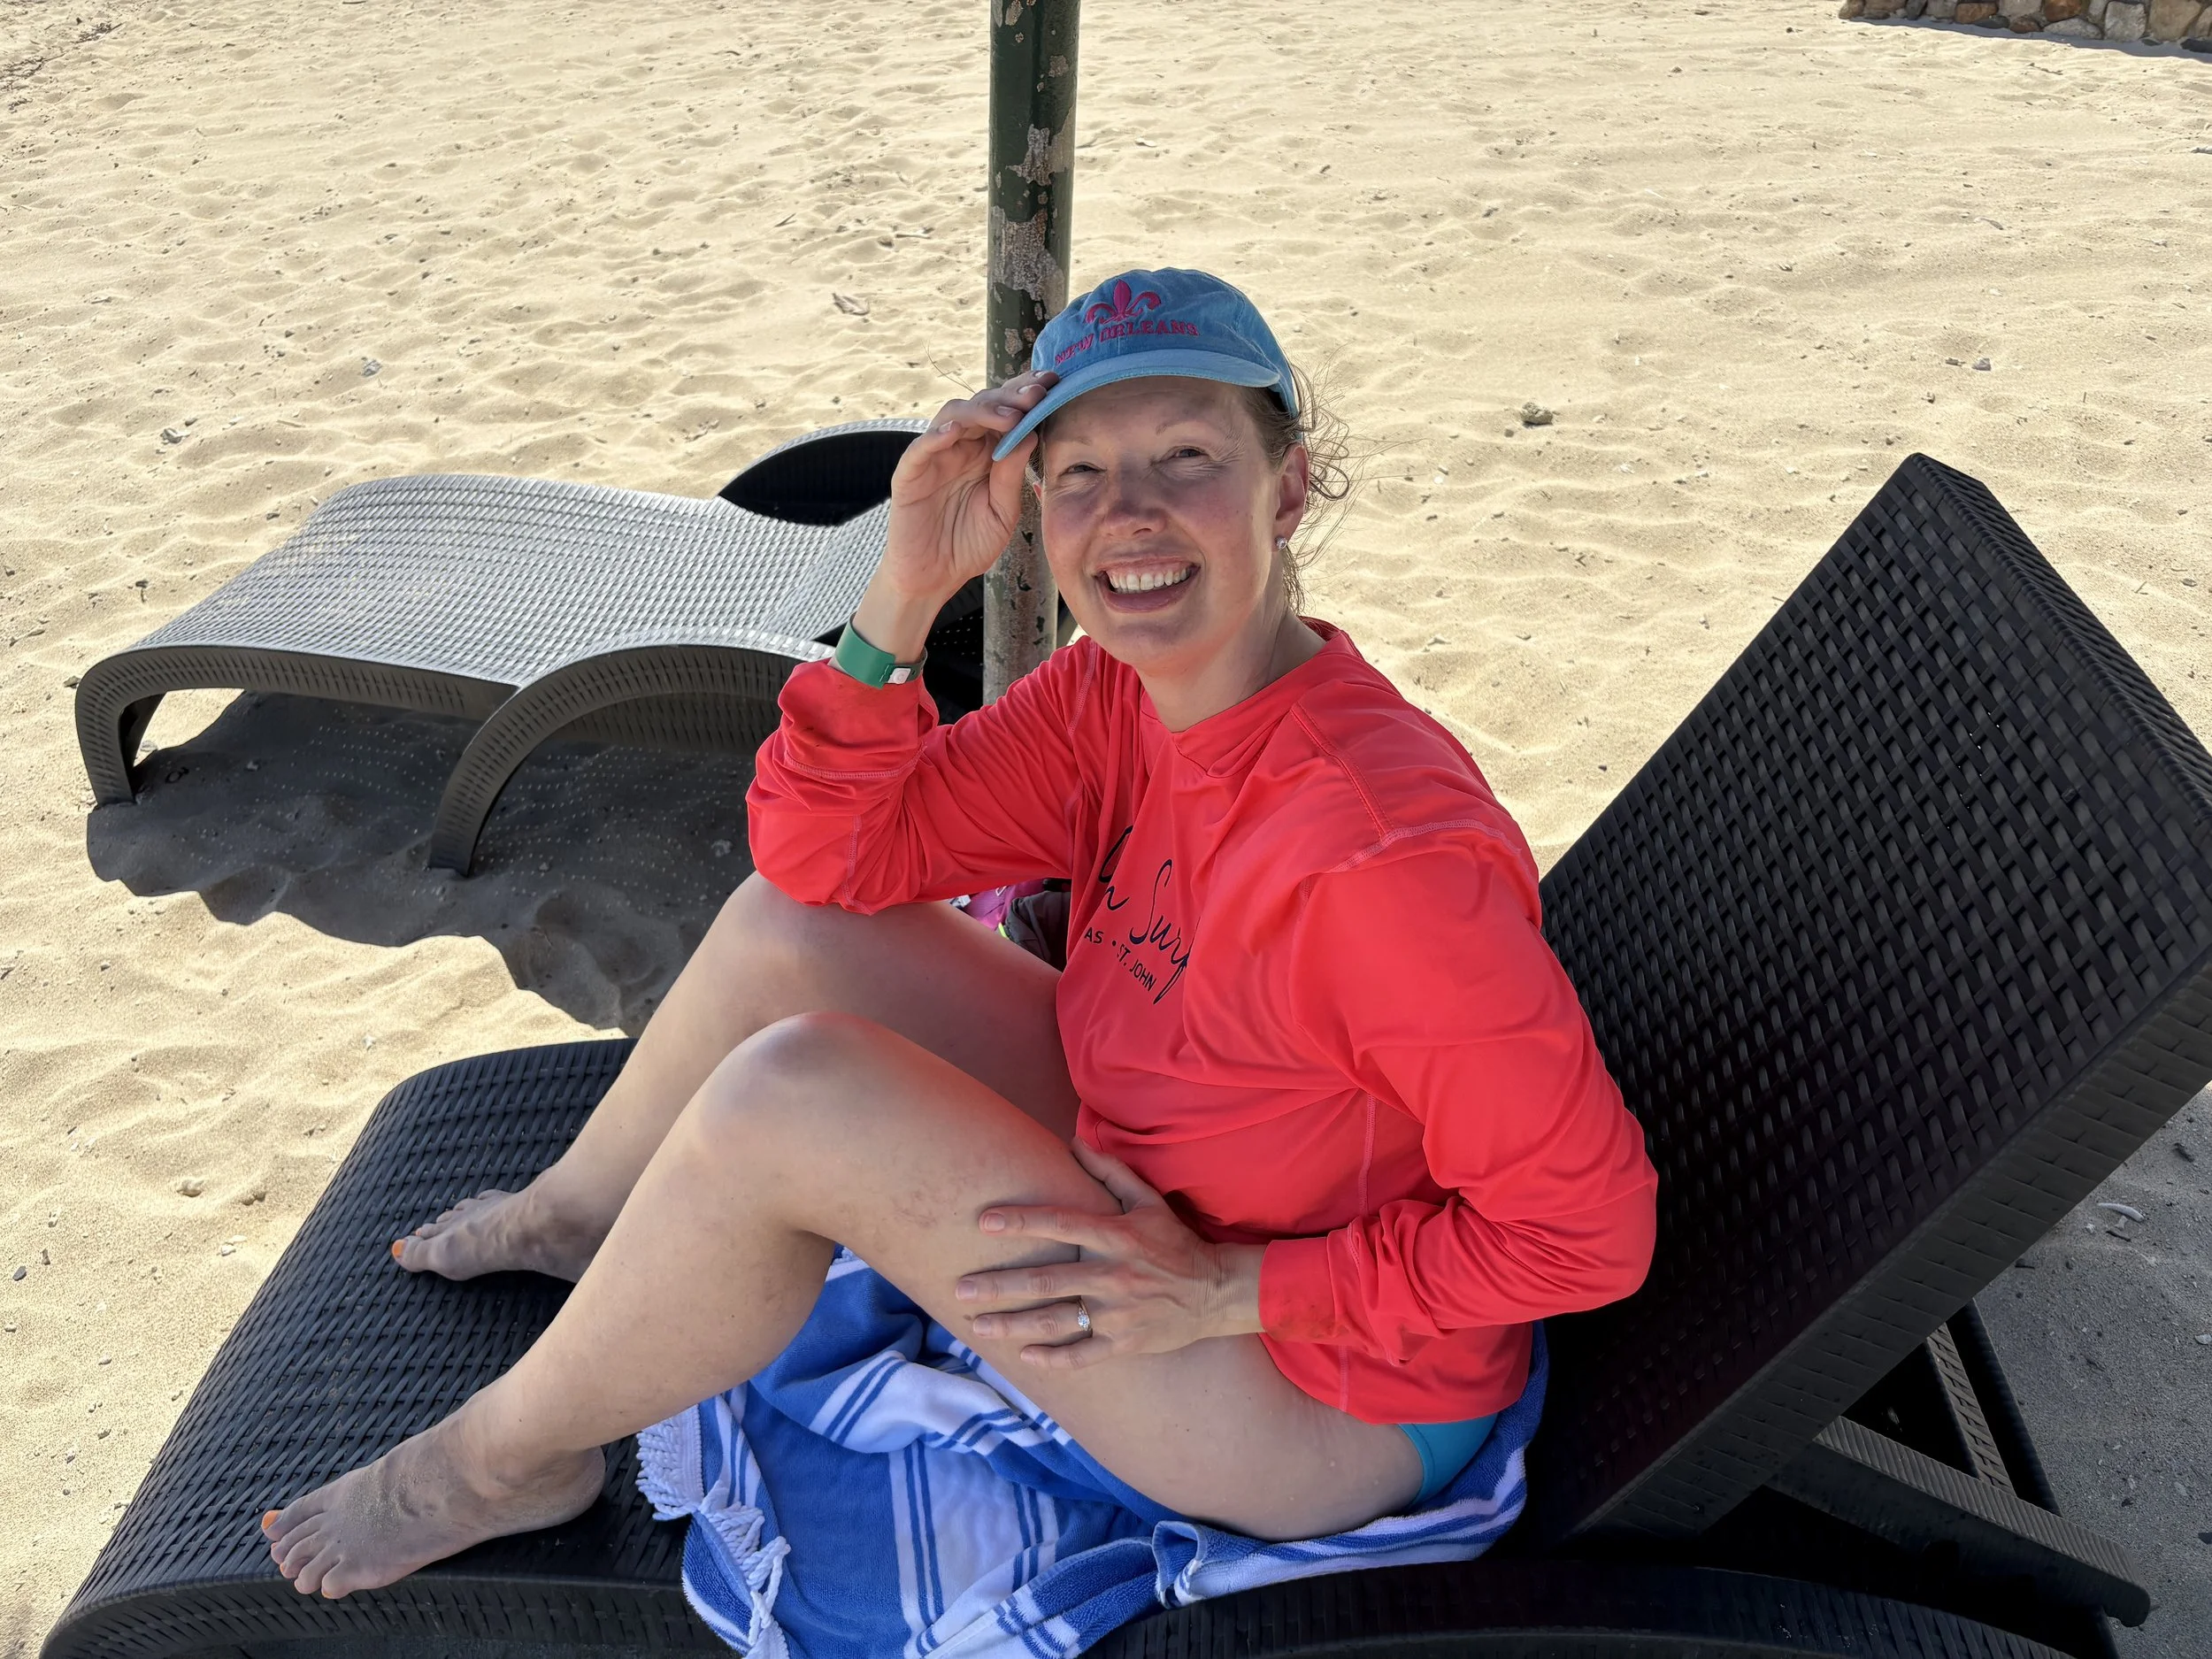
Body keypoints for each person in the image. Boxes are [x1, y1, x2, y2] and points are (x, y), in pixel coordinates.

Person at [260, 268, 1659, 1600]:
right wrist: (905, 590)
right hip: (1168, 1152)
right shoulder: (1120, 697)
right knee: (790, 929)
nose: (1130, 515)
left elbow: (1588, 1236)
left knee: (789, 1098)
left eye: (1186, 457)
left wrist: (1230, 1290)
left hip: (1320, 1394)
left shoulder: (1376, 861)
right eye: (1079, 473)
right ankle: (581, 1214)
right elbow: (828, 857)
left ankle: (505, 1460)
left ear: (1285, 488)